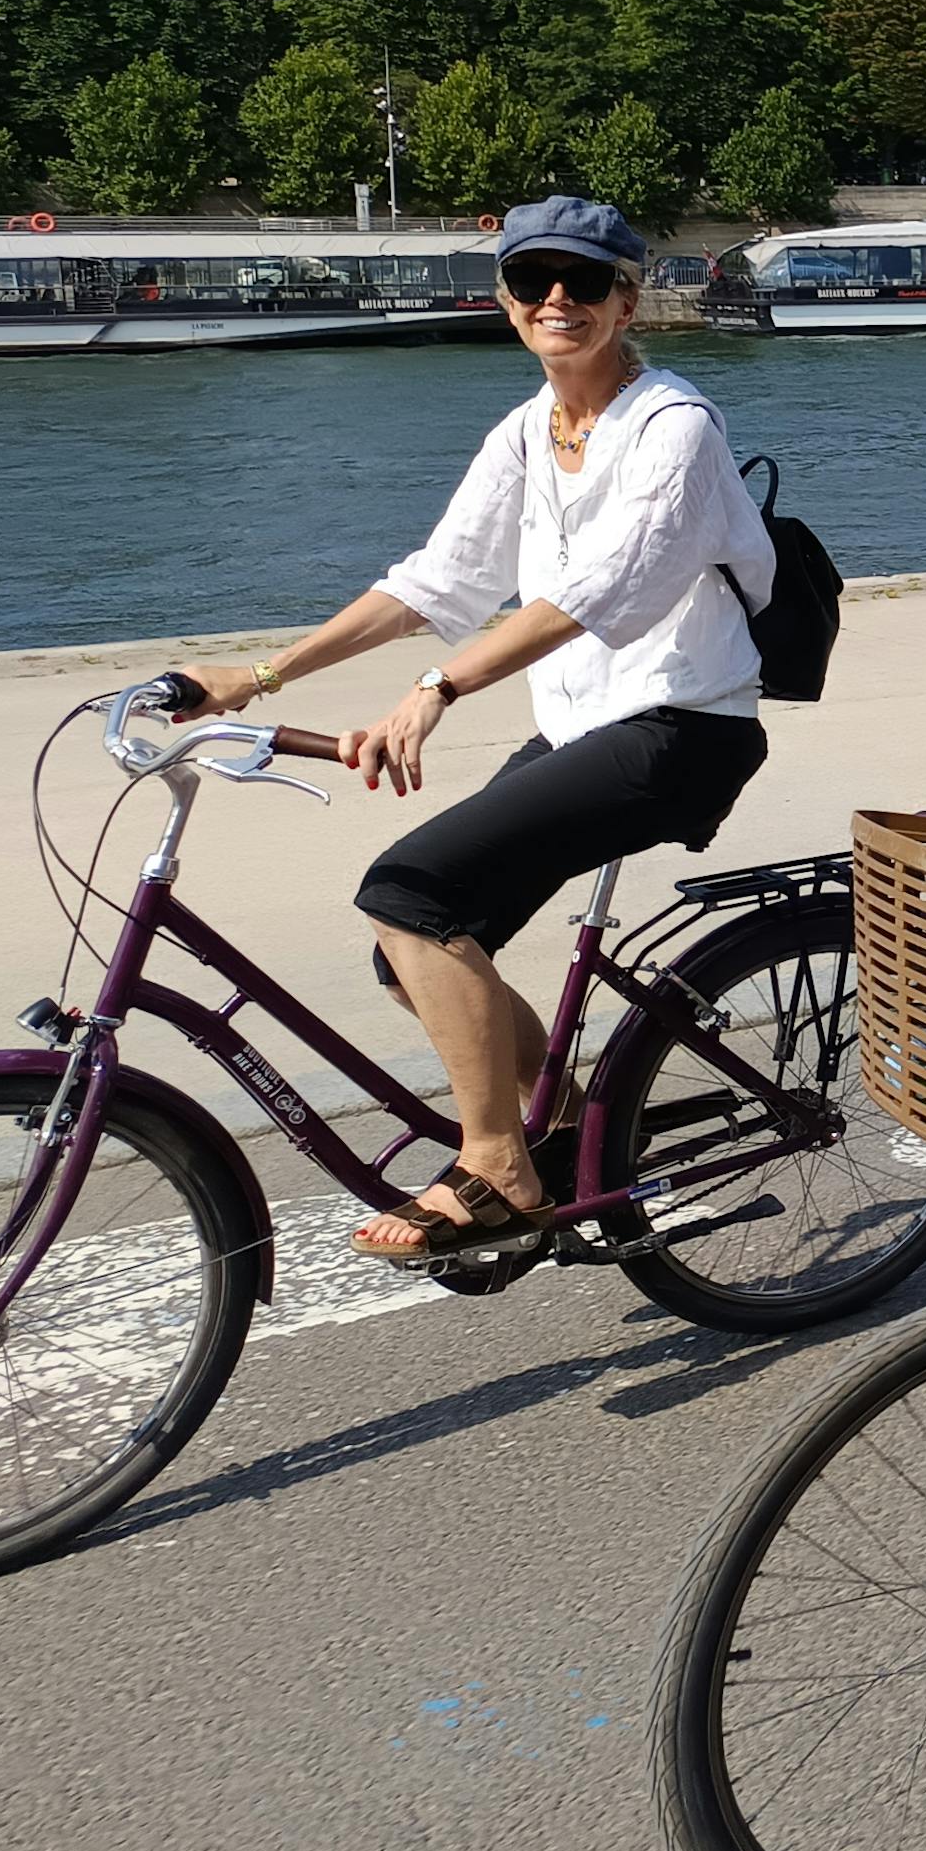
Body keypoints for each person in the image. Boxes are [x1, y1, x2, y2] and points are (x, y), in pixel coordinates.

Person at [169, 196, 778, 1259]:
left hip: (684, 725)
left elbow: (604, 592)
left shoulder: (674, 426)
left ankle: (496, 1166)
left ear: (626, 301)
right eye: (534, 280)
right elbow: (437, 582)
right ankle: (574, 1133)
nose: (558, 299)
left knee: (410, 891)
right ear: (504, 303)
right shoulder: (525, 432)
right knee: (412, 956)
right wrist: (258, 675)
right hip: (587, 726)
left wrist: (437, 690)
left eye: (584, 283)